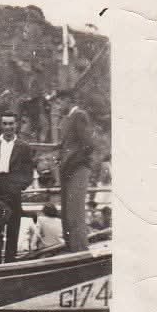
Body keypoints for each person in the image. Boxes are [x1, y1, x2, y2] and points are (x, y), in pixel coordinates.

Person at [0, 112, 35, 263]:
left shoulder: (24, 147)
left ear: (16, 125)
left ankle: (10, 262)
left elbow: (28, 172)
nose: (8, 127)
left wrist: (18, 187)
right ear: (0, 125)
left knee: (12, 228)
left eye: (11, 123)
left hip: (13, 191)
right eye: (5, 123)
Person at [56, 89, 93, 252]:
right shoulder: (67, 119)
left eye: (59, 102)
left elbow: (88, 145)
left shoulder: (79, 115)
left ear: (68, 101)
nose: (58, 106)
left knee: (75, 212)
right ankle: (72, 248)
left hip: (77, 169)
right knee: (67, 213)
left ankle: (80, 250)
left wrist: (71, 162)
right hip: (68, 171)